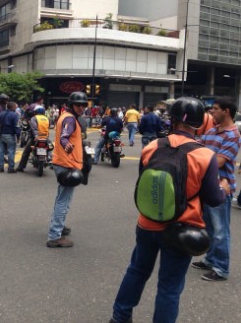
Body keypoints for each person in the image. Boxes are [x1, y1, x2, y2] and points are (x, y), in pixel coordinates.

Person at [109, 97, 227, 323]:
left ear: (171, 120)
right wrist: (223, 188)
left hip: (147, 222)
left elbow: (145, 182)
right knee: (169, 287)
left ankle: (120, 316)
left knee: (136, 271)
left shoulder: (152, 146)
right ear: (200, 123)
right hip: (181, 230)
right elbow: (213, 199)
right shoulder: (205, 156)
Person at [192, 97, 240, 281]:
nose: (212, 112)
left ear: (226, 111)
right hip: (206, 185)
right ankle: (211, 259)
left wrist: (201, 158)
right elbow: (200, 153)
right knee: (209, 227)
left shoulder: (233, 135)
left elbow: (218, 161)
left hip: (222, 188)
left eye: (216, 109)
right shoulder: (211, 131)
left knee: (221, 230)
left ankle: (221, 269)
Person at [47, 91, 88, 248]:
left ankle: (59, 227)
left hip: (62, 162)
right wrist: (66, 144)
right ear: (71, 105)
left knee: (61, 199)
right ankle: (54, 235)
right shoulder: (70, 119)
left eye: (84, 105)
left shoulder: (65, 116)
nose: (81, 108)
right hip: (67, 164)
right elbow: (64, 136)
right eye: (78, 105)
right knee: (64, 201)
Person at [17, 105, 50, 172]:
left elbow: (34, 128)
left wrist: (36, 136)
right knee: (49, 148)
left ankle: (21, 167)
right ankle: (49, 158)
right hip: (45, 138)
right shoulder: (46, 118)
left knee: (26, 152)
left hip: (36, 138)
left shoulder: (34, 118)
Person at [0, 101, 20, 173]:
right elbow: (17, 126)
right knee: (11, 151)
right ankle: (11, 168)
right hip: (10, 135)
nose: (16, 108)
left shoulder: (1, 114)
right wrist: (18, 136)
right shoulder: (15, 115)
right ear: (12, 107)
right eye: (15, 106)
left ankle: (0, 167)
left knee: (1, 151)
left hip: (1, 134)